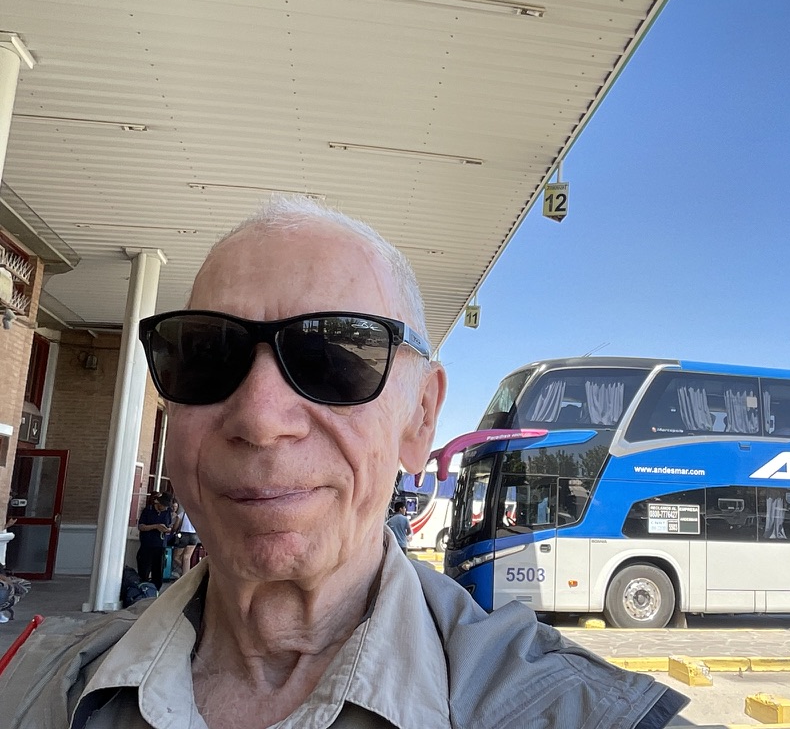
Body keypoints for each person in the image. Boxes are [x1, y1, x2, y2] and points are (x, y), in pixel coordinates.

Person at [0, 197, 688, 728]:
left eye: (332, 360)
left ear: (419, 419)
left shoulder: (583, 711)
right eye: (207, 354)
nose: (261, 419)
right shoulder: (28, 683)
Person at [136, 493, 172, 592]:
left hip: (160, 545)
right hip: (147, 544)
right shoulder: (148, 510)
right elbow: (141, 526)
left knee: (158, 570)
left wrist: (167, 529)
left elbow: (170, 526)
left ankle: (156, 590)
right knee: (144, 568)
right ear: (158, 503)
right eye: (163, 505)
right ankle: (142, 588)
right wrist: (155, 526)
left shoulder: (168, 512)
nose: (165, 508)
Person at [171, 506, 200, 577]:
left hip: (183, 535)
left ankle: (186, 573)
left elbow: (175, 526)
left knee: (176, 557)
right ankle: (186, 575)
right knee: (187, 557)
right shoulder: (197, 515)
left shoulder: (183, 513)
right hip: (194, 536)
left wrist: (173, 530)